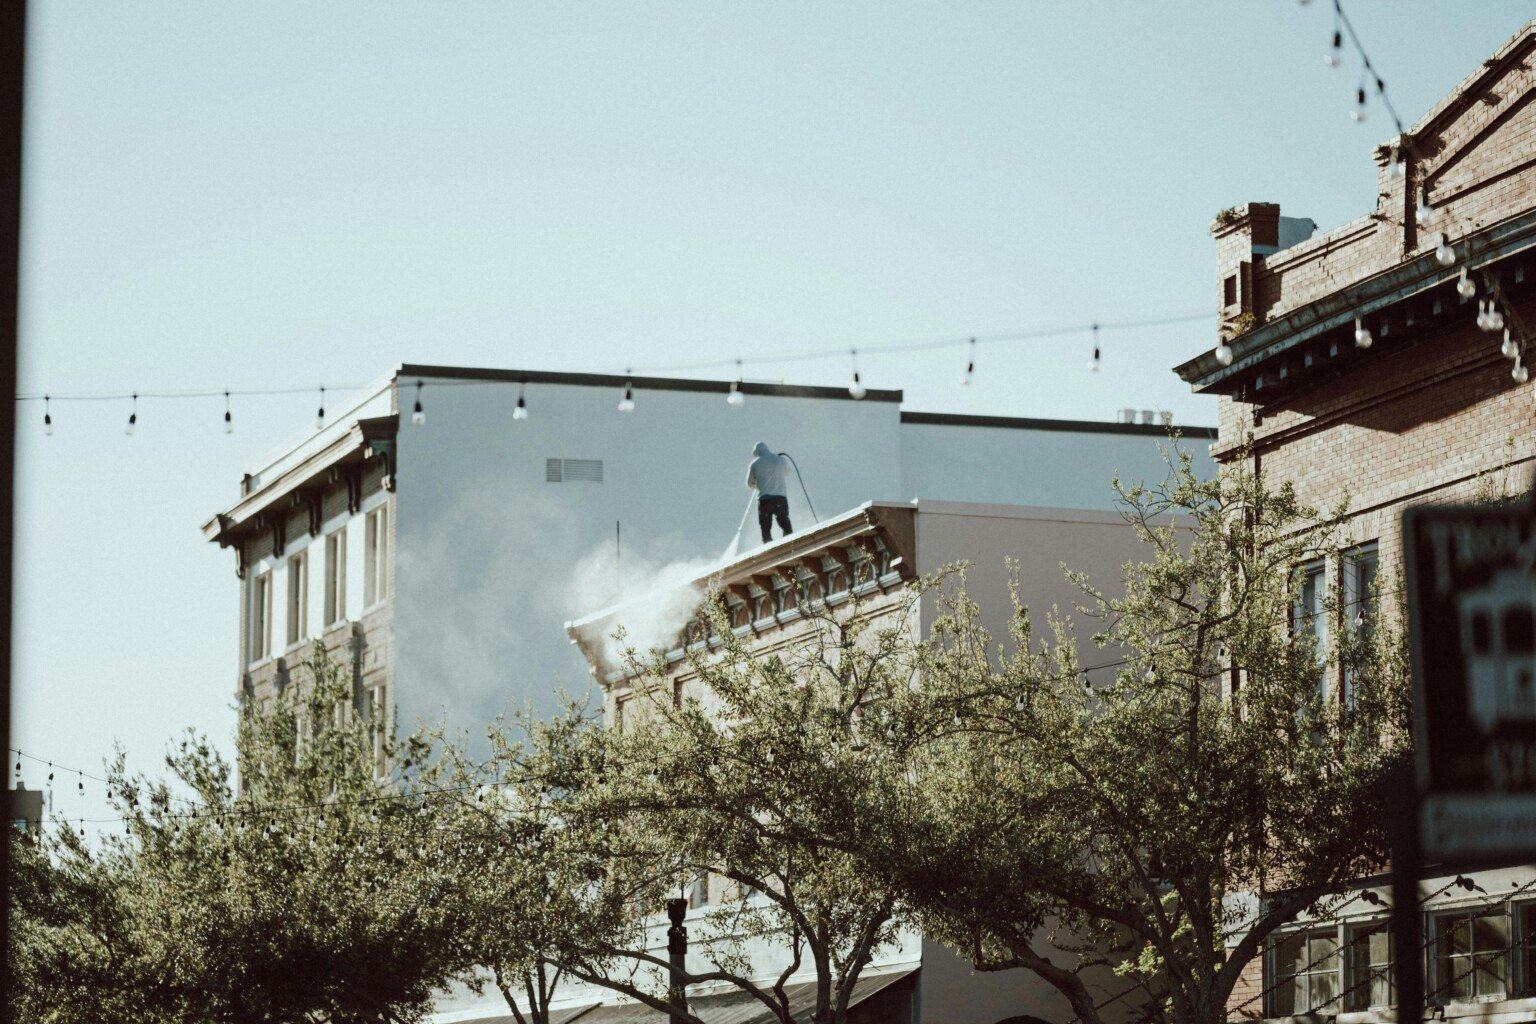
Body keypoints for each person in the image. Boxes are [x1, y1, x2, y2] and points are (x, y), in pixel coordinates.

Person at [746, 441, 792, 543]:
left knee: (765, 526)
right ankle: (790, 542)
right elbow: (788, 472)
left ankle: (768, 544)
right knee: (784, 521)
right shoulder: (780, 460)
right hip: (780, 498)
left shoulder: (754, 464)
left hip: (764, 500)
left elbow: (749, 483)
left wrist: (759, 485)